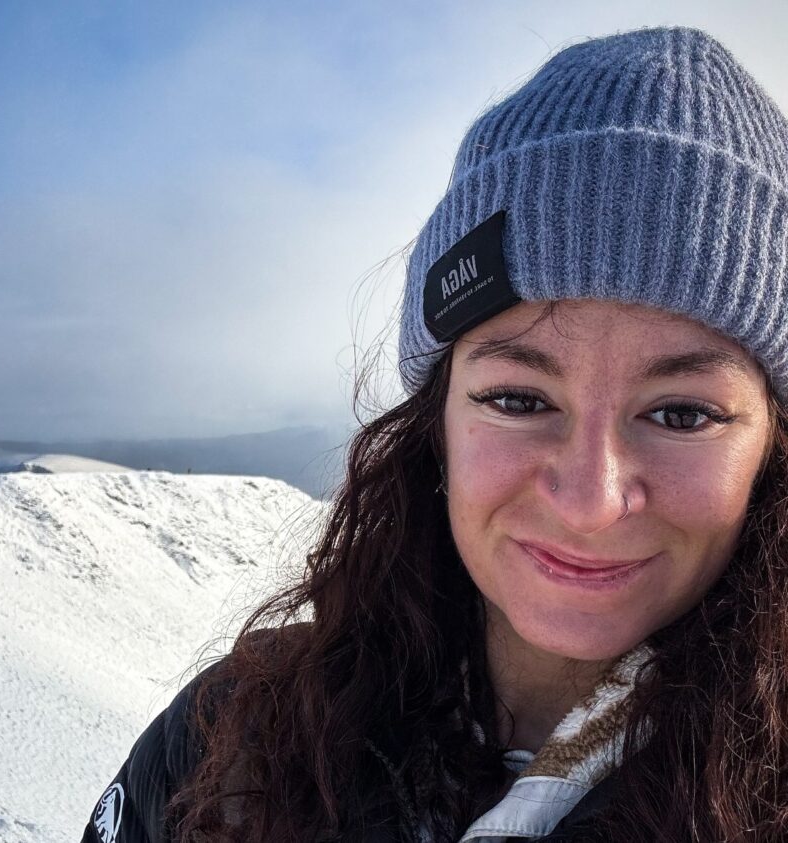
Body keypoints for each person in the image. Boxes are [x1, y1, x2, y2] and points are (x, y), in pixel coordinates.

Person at [82, 24, 788, 842]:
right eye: (519, 399)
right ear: (437, 424)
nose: (591, 501)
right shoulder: (235, 739)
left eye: (682, 414)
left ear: (771, 446)